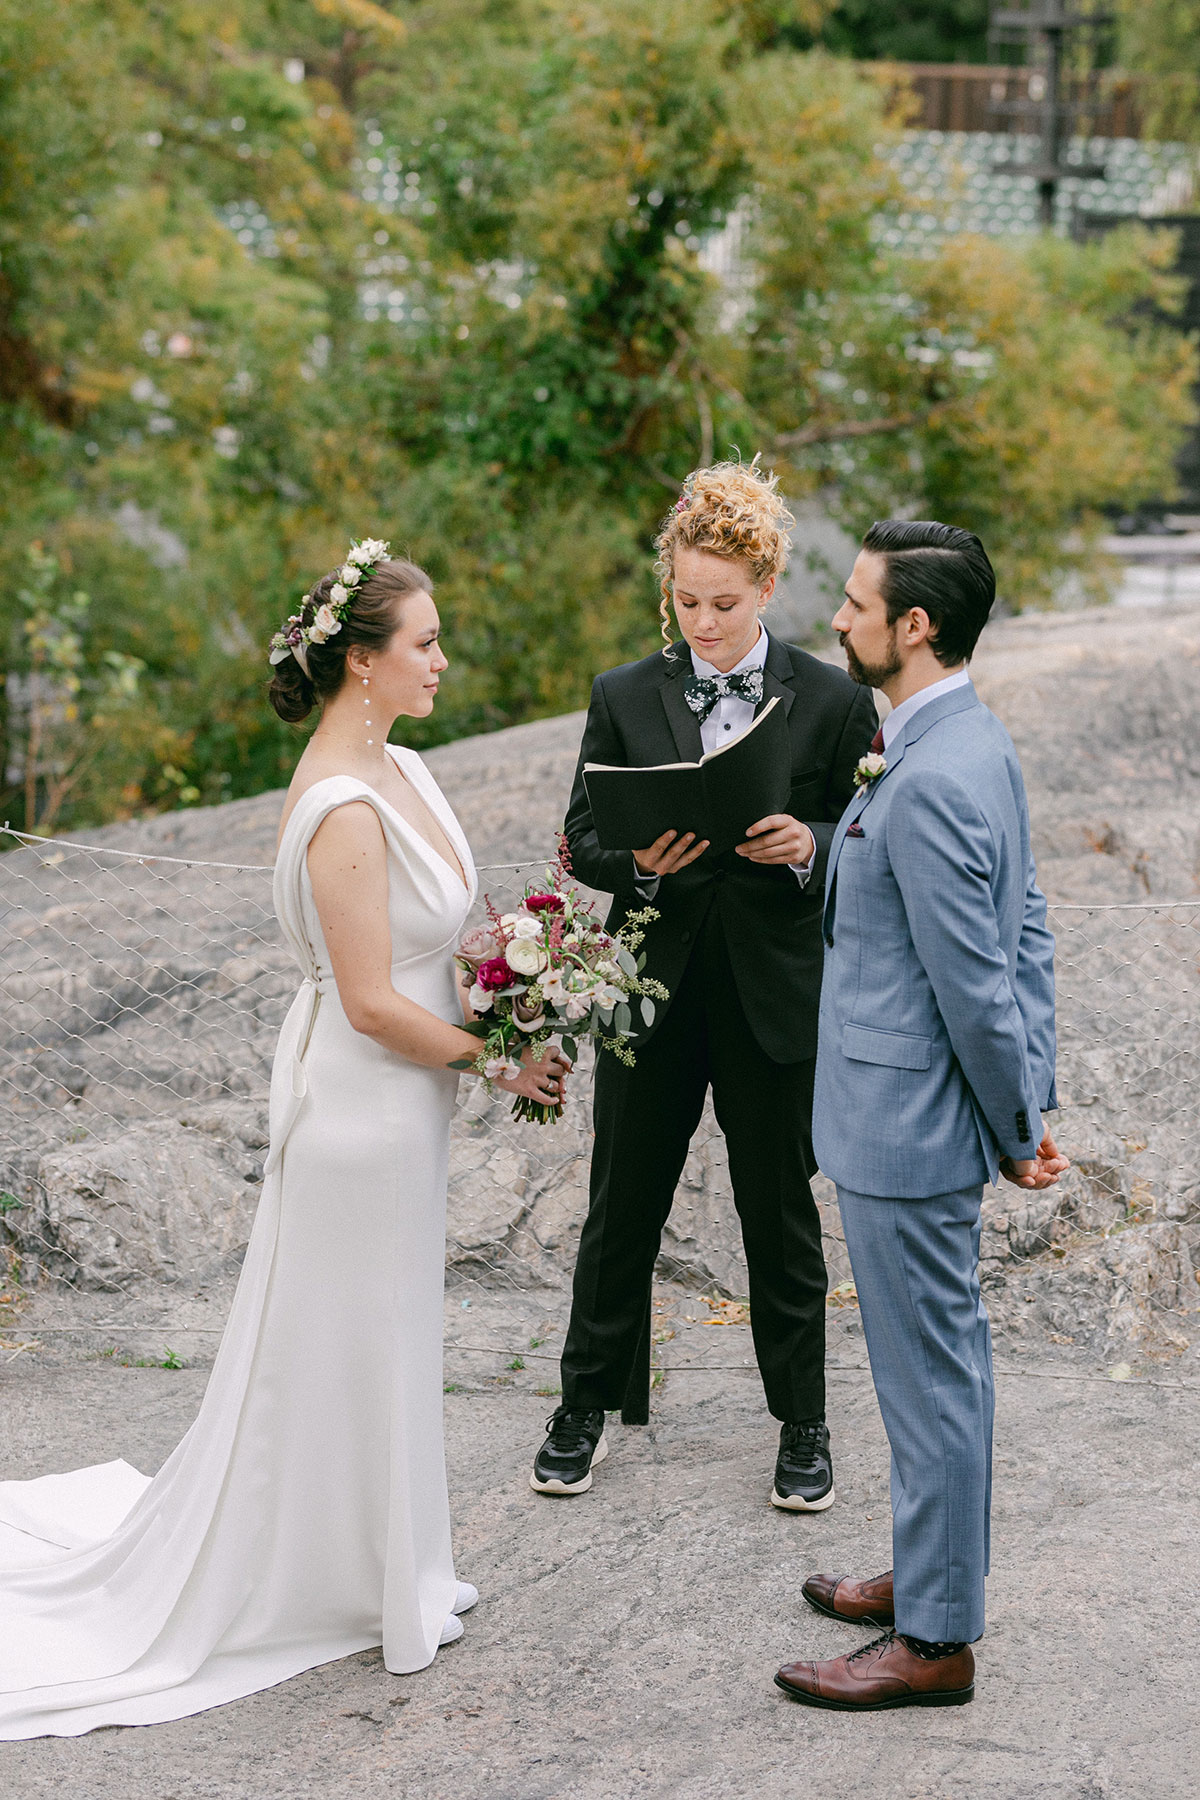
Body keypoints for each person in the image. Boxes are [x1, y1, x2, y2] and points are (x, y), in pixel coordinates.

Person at [0, 541, 569, 1738]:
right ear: (362, 664)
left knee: (391, 1336)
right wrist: (502, 1058)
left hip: (408, 1105)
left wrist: (519, 982)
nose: (441, 658)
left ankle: (388, 1567)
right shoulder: (342, 812)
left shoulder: (407, 765)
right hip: (359, 1113)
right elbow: (367, 999)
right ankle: (335, 1579)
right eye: (423, 642)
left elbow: (440, 944)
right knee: (351, 1342)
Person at [531, 461, 878, 1508]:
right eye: (686, 603)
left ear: (767, 587)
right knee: (619, 1208)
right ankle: (583, 1407)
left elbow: (871, 836)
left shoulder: (831, 698)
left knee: (778, 1217)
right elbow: (582, 837)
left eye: (724, 604)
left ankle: (804, 1427)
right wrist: (638, 866)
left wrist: (808, 842)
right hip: (648, 985)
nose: (704, 623)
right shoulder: (624, 694)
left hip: (776, 998)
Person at [775, 520, 1067, 1713]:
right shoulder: (960, 738)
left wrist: (1016, 1125)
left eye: (855, 605)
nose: (837, 621)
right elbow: (1028, 922)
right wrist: (1030, 1096)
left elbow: (978, 982)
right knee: (936, 1371)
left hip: (910, 1130)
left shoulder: (937, 770)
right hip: (913, 1114)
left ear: (916, 626)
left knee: (930, 1380)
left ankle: (937, 1640)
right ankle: (929, 1570)